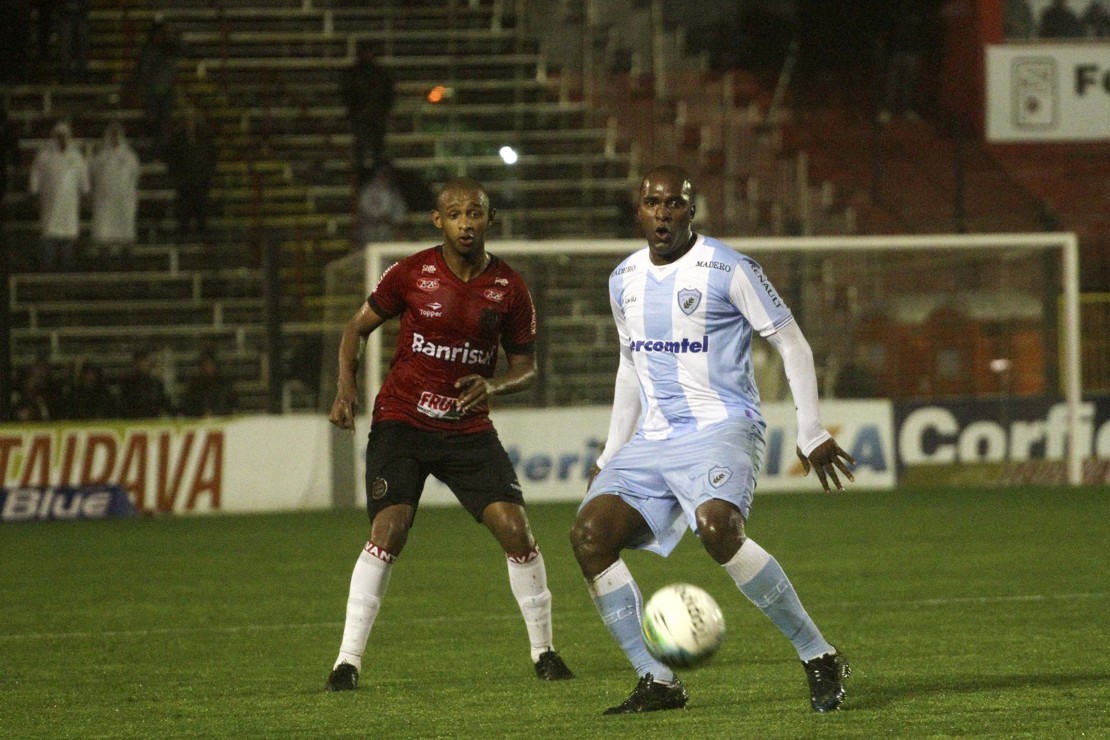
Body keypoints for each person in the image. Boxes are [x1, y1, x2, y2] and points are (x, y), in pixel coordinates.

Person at [568, 165, 856, 715]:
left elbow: (792, 344)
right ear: (639, 209)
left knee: (718, 527)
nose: (662, 214)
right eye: (653, 203)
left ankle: (818, 655)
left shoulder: (729, 268)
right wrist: (610, 451)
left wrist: (811, 427)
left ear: (690, 210)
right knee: (589, 535)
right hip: (653, 439)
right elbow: (630, 366)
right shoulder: (622, 279)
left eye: (674, 204)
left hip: (722, 426)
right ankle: (657, 680)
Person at [323, 177, 574, 692]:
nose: (466, 223)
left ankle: (545, 653)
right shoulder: (410, 273)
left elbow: (526, 366)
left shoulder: (510, 288)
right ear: (438, 221)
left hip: (467, 427)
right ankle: (346, 663)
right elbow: (356, 328)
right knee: (389, 530)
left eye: (475, 213)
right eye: (455, 214)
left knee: (517, 532)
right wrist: (346, 387)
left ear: (490, 219)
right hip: (403, 421)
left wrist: (495, 384)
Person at [28, 121, 90, 272]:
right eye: (59, 135)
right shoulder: (44, 155)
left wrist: (86, 193)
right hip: (50, 202)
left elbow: (83, 178)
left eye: (64, 136)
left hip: (69, 203)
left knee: (68, 235)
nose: (61, 139)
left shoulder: (76, 156)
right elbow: (35, 175)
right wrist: (34, 193)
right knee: (50, 233)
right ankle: (48, 268)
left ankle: (66, 269)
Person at [164, 108, 218, 240]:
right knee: (184, 209)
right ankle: (184, 234)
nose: (189, 121)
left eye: (192, 118)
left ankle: (203, 233)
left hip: (201, 180)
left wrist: (207, 175)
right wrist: (177, 176)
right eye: (187, 119)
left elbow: (212, 156)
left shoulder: (204, 136)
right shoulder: (178, 138)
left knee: (201, 208)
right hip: (184, 181)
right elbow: (172, 158)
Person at [90, 121, 140, 260]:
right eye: (112, 136)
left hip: (124, 201)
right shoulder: (100, 157)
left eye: (116, 135)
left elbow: (135, 177)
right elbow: (93, 175)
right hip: (105, 201)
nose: (114, 139)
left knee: (124, 232)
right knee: (105, 232)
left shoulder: (130, 157)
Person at [341, 42, 396, 170]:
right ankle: (363, 171)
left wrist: (383, 110)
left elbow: (389, 94)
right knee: (362, 146)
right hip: (362, 116)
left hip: (374, 115)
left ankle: (374, 171)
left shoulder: (380, 73)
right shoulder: (354, 74)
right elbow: (347, 94)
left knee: (377, 147)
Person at [133, 18, 182, 155]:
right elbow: (143, 71)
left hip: (166, 92)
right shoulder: (148, 51)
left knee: (163, 124)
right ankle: (153, 150)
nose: (160, 37)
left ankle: (161, 150)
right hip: (152, 93)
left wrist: (173, 37)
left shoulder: (169, 48)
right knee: (152, 121)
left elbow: (184, 49)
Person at [354, 161, 407, 248]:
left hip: (388, 229)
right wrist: (377, 217)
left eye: (386, 173)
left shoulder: (394, 192)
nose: (384, 175)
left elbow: (400, 210)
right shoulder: (368, 190)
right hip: (369, 228)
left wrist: (394, 221)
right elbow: (363, 207)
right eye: (382, 173)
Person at [116, 348, 174, 419]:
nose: (142, 364)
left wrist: (175, 415)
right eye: (140, 361)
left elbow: (165, 402)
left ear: (149, 363)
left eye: (145, 361)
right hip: (134, 420)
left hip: (152, 420)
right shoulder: (127, 382)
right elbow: (123, 404)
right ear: (135, 363)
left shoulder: (156, 383)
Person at [180, 347, 237, 417]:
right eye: (205, 364)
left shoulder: (225, 384)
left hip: (221, 419)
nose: (207, 367)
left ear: (215, 365)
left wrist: (216, 413)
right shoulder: (195, 385)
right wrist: (201, 413)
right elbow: (187, 407)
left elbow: (233, 406)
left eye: (210, 364)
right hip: (200, 420)